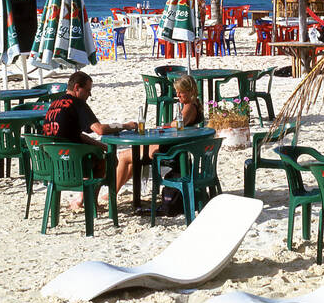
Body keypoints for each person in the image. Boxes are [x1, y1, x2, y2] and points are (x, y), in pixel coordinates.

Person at [42, 71, 135, 210]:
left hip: (52, 164)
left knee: (98, 153)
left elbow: (76, 135)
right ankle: (92, 202)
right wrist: (125, 126)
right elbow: (100, 130)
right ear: (77, 88)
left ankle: (81, 199)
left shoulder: (55, 104)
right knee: (106, 160)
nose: (89, 95)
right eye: (87, 91)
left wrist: (103, 146)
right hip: (72, 164)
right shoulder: (78, 104)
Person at [112, 73, 203, 200]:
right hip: (176, 146)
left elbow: (177, 124)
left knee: (124, 156)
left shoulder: (189, 107)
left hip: (170, 151)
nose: (177, 96)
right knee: (132, 160)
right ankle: (114, 192)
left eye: (180, 92)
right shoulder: (194, 105)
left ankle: (112, 195)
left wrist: (164, 126)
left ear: (190, 91)